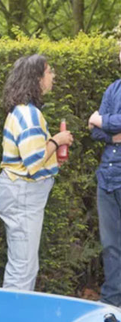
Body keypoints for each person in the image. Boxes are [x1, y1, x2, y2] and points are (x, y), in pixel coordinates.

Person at [0, 54, 74, 291]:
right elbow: (33, 161)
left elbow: (32, 155)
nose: (53, 76)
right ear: (36, 78)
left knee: (24, 264)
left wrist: (52, 161)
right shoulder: (29, 115)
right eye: (49, 71)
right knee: (23, 268)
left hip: (19, 193)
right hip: (23, 195)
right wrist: (57, 139)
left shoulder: (20, 111)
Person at [88, 46, 121, 307]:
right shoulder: (113, 89)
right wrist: (111, 130)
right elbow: (93, 130)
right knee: (110, 245)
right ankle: (111, 303)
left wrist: (102, 120)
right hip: (107, 176)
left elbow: (98, 121)